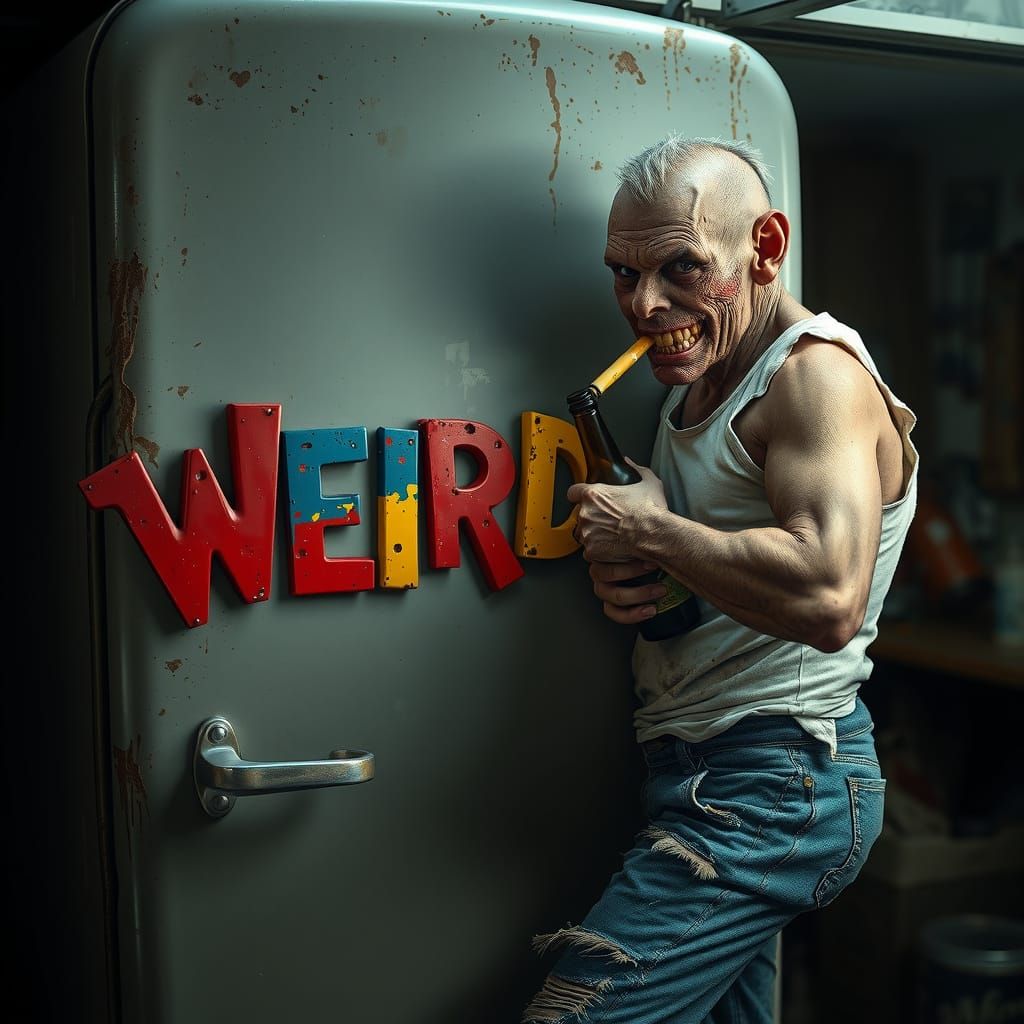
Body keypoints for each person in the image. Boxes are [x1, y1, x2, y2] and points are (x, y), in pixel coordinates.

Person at [521, 135, 919, 1024]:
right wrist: (637, 568)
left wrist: (652, 530)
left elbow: (828, 596)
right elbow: (714, 563)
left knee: (571, 1014)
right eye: (624, 273)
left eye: (683, 267)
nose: (645, 303)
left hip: (778, 778)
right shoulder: (694, 385)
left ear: (764, 248)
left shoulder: (814, 379)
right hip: (698, 765)